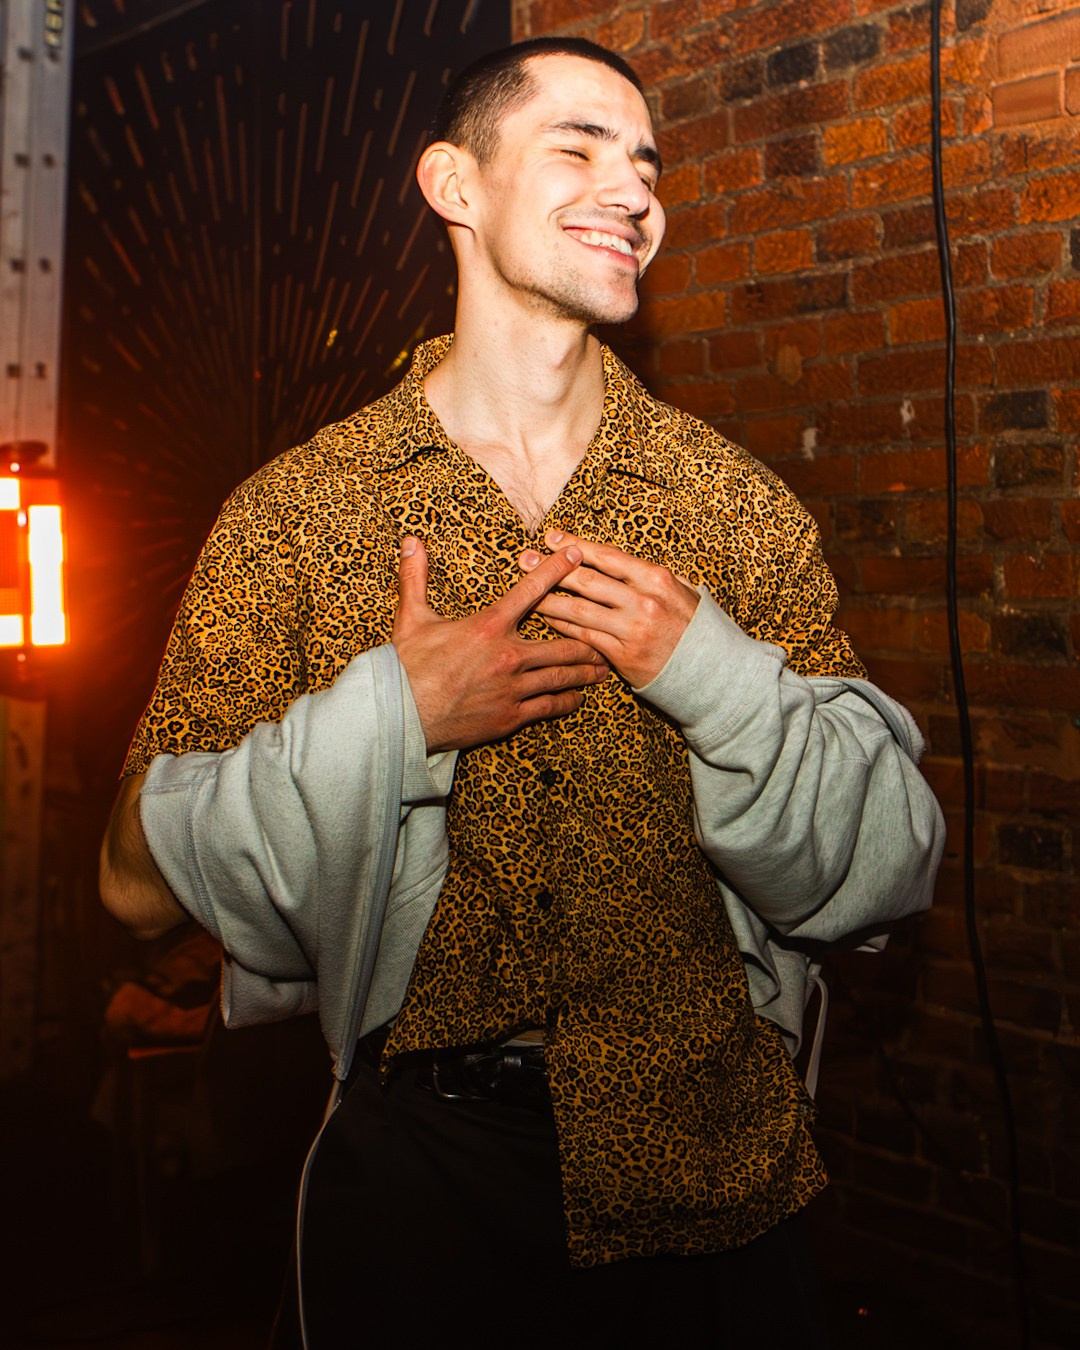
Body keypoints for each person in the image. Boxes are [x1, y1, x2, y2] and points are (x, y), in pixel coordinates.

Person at [100, 36, 944, 1348]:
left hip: (712, 1173)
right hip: (420, 1189)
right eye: (579, 147)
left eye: (647, 163)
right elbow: (133, 882)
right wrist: (391, 716)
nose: (634, 191)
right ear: (456, 184)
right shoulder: (303, 514)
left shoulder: (729, 504)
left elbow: (891, 867)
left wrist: (716, 678)